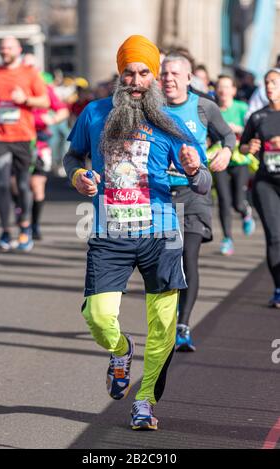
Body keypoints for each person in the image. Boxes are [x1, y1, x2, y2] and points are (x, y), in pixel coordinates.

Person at [63, 35, 212, 430]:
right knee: (98, 315)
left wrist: (196, 168)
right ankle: (121, 349)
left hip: (161, 233)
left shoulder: (172, 123)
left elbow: (203, 185)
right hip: (110, 232)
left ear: (154, 77)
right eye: (128, 72)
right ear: (119, 75)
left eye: (144, 72)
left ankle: (144, 401)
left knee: (163, 327)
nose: (135, 80)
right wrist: (78, 174)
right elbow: (71, 155)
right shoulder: (94, 113)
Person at [161, 55, 236, 351]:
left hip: (194, 192)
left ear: (188, 78)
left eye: (175, 73)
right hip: (161, 197)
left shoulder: (204, 106)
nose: (168, 78)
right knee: (167, 261)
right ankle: (166, 319)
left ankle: (183, 324)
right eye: (164, 73)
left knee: (187, 256)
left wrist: (227, 151)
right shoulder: (150, 108)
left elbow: (227, 135)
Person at [0, 36, 49, 251]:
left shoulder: (30, 74)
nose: (4, 51)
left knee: (23, 185)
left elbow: (45, 101)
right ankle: (5, 232)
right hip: (0, 136)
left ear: (18, 49)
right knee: (3, 184)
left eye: (8, 47)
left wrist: (26, 100)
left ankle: (25, 228)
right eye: (2, 48)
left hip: (24, 136)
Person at [240, 68, 280, 309]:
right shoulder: (258, 116)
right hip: (266, 182)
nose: (269, 87)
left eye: (274, 82)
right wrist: (249, 147)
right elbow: (243, 146)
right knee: (275, 236)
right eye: (266, 83)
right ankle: (278, 288)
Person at [22, 54, 70, 239]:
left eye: (32, 67)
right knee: (17, 186)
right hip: (17, 141)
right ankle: (23, 219)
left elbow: (63, 110)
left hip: (40, 141)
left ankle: (34, 225)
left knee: (37, 185)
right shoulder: (14, 88)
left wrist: (51, 118)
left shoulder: (45, 87)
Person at [213, 75, 256, 256]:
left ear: (233, 90)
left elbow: (252, 129)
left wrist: (236, 129)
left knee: (238, 202)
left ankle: (245, 211)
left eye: (227, 87)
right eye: (220, 87)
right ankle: (227, 239)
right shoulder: (212, 109)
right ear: (216, 90)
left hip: (239, 158)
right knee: (224, 199)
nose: (223, 91)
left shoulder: (242, 108)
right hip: (219, 158)